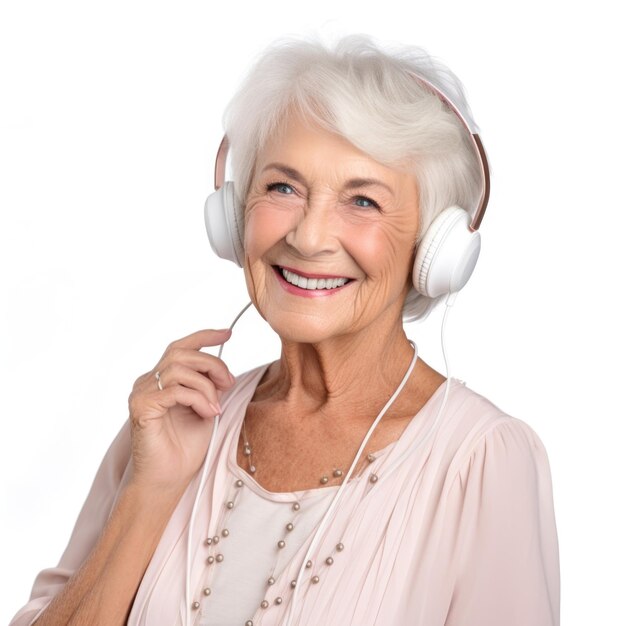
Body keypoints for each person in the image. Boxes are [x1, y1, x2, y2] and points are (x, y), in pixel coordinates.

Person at [10, 34, 560, 626]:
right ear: (232, 214)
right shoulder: (170, 425)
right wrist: (147, 495)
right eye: (283, 188)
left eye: (364, 202)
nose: (307, 237)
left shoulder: (480, 460)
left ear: (434, 248)